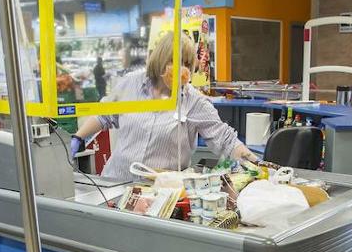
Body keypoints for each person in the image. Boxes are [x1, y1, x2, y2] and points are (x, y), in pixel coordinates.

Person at [69, 31, 256, 181]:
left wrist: (255, 164)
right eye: (174, 61)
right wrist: (78, 137)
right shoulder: (130, 84)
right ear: (160, 59)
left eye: (186, 64)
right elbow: (104, 115)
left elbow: (225, 139)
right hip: (116, 182)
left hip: (160, 195)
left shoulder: (194, 101)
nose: (180, 69)